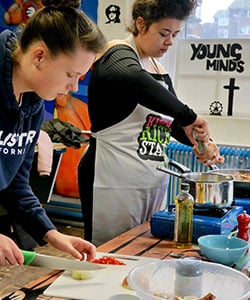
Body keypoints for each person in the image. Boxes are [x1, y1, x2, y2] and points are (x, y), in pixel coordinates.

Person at [78, 0, 224, 247]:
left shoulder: (157, 68)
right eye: (164, 34)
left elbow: (171, 122)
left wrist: (201, 142)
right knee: (112, 252)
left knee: (141, 250)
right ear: (141, 24)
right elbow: (134, 80)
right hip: (114, 182)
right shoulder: (117, 54)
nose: (170, 42)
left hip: (151, 184)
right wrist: (192, 117)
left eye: (175, 35)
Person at [0, 0, 107, 266]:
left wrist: (54, 235)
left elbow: (16, 185)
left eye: (80, 78)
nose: (73, 86)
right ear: (39, 56)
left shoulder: (32, 105)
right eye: (71, 74)